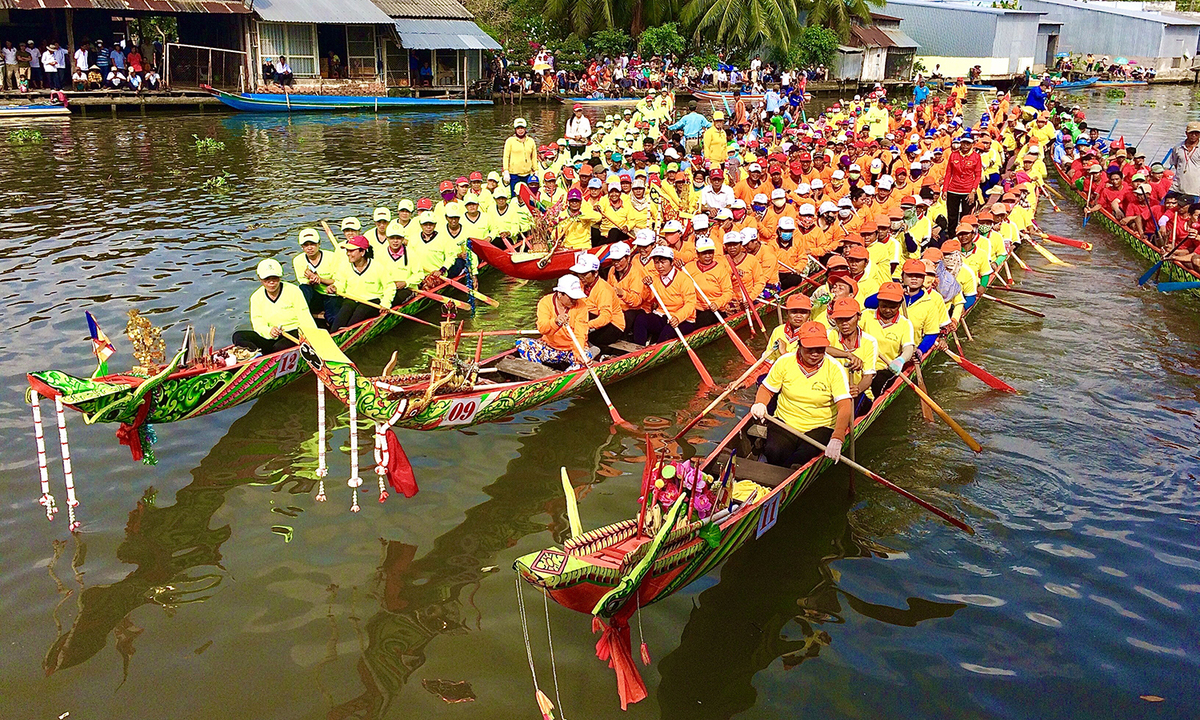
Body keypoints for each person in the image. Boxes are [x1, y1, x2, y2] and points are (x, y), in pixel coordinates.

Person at [750, 321, 853, 468]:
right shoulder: (784, 362)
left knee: (800, 458)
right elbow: (767, 389)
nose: (815, 353)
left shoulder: (835, 369)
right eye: (810, 348)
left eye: (820, 349)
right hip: (786, 422)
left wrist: (838, 437)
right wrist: (760, 403)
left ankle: (791, 471)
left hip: (820, 426)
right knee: (774, 452)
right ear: (799, 344)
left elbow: (844, 406)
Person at [231, 259, 316, 354]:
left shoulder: (294, 291)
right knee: (238, 336)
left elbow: (305, 317)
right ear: (260, 279)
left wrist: (312, 338)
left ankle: (267, 356)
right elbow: (258, 324)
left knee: (279, 347)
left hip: (293, 333)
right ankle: (256, 356)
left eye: (274, 278)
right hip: (270, 336)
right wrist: (269, 331)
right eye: (267, 279)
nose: (271, 283)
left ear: (280, 277)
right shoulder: (256, 297)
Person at [515, 275, 593, 369]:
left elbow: (580, 334)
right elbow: (542, 329)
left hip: (571, 350)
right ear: (560, 294)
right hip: (551, 348)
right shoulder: (545, 302)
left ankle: (565, 377)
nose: (574, 300)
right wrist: (555, 322)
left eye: (576, 297)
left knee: (586, 359)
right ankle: (541, 373)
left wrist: (578, 355)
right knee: (523, 344)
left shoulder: (581, 306)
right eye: (571, 297)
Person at [631, 246, 698, 344]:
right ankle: (638, 350)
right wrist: (647, 287)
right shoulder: (654, 279)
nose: (659, 266)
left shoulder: (684, 280)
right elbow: (650, 299)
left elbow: (690, 304)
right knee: (641, 319)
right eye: (656, 262)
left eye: (663, 262)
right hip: (663, 315)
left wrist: (677, 318)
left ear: (671, 262)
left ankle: (655, 349)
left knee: (668, 330)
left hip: (684, 319)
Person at [330, 236, 394, 331]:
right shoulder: (344, 267)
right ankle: (333, 333)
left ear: (362, 252)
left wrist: (386, 303)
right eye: (347, 251)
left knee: (361, 311)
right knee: (344, 311)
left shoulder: (378, 267)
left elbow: (389, 287)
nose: (348, 254)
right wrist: (334, 288)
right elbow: (341, 285)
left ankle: (348, 332)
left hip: (372, 301)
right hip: (352, 299)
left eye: (351, 251)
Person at [572, 253, 625, 346]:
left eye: (584, 274)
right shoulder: (580, 284)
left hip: (613, 326)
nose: (581, 277)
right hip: (592, 318)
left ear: (595, 273)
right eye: (579, 274)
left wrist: (586, 325)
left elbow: (605, 317)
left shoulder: (604, 289)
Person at [292, 227, 342, 323]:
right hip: (315, 295)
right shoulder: (298, 260)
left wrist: (321, 279)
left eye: (312, 244)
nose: (309, 248)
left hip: (331, 294)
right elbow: (304, 284)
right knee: (303, 288)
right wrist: (311, 281)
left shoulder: (331, 257)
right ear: (302, 247)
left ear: (319, 244)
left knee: (333, 318)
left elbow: (338, 280)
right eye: (306, 245)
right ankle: (299, 315)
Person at [1167, 120, 1200, 206]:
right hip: (1177, 187)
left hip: (1195, 189)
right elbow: (1175, 164)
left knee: (1191, 213)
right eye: (1191, 133)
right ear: (1186, 133)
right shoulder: (1177, 148)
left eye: (1196, 133)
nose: (1193, 135)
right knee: (1164, 206)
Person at [503, 117, 538, 194]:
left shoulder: (531, 141)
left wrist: (536, 170)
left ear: (525, 129)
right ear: (515, 130)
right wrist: (506, 171)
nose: (520, 130)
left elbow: (534, 157)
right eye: (518, 128)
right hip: (514, 174)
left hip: (528, 174)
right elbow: (506, 157)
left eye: (522, 128)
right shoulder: (510, 141)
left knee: (529, 196)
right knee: (515, 195)